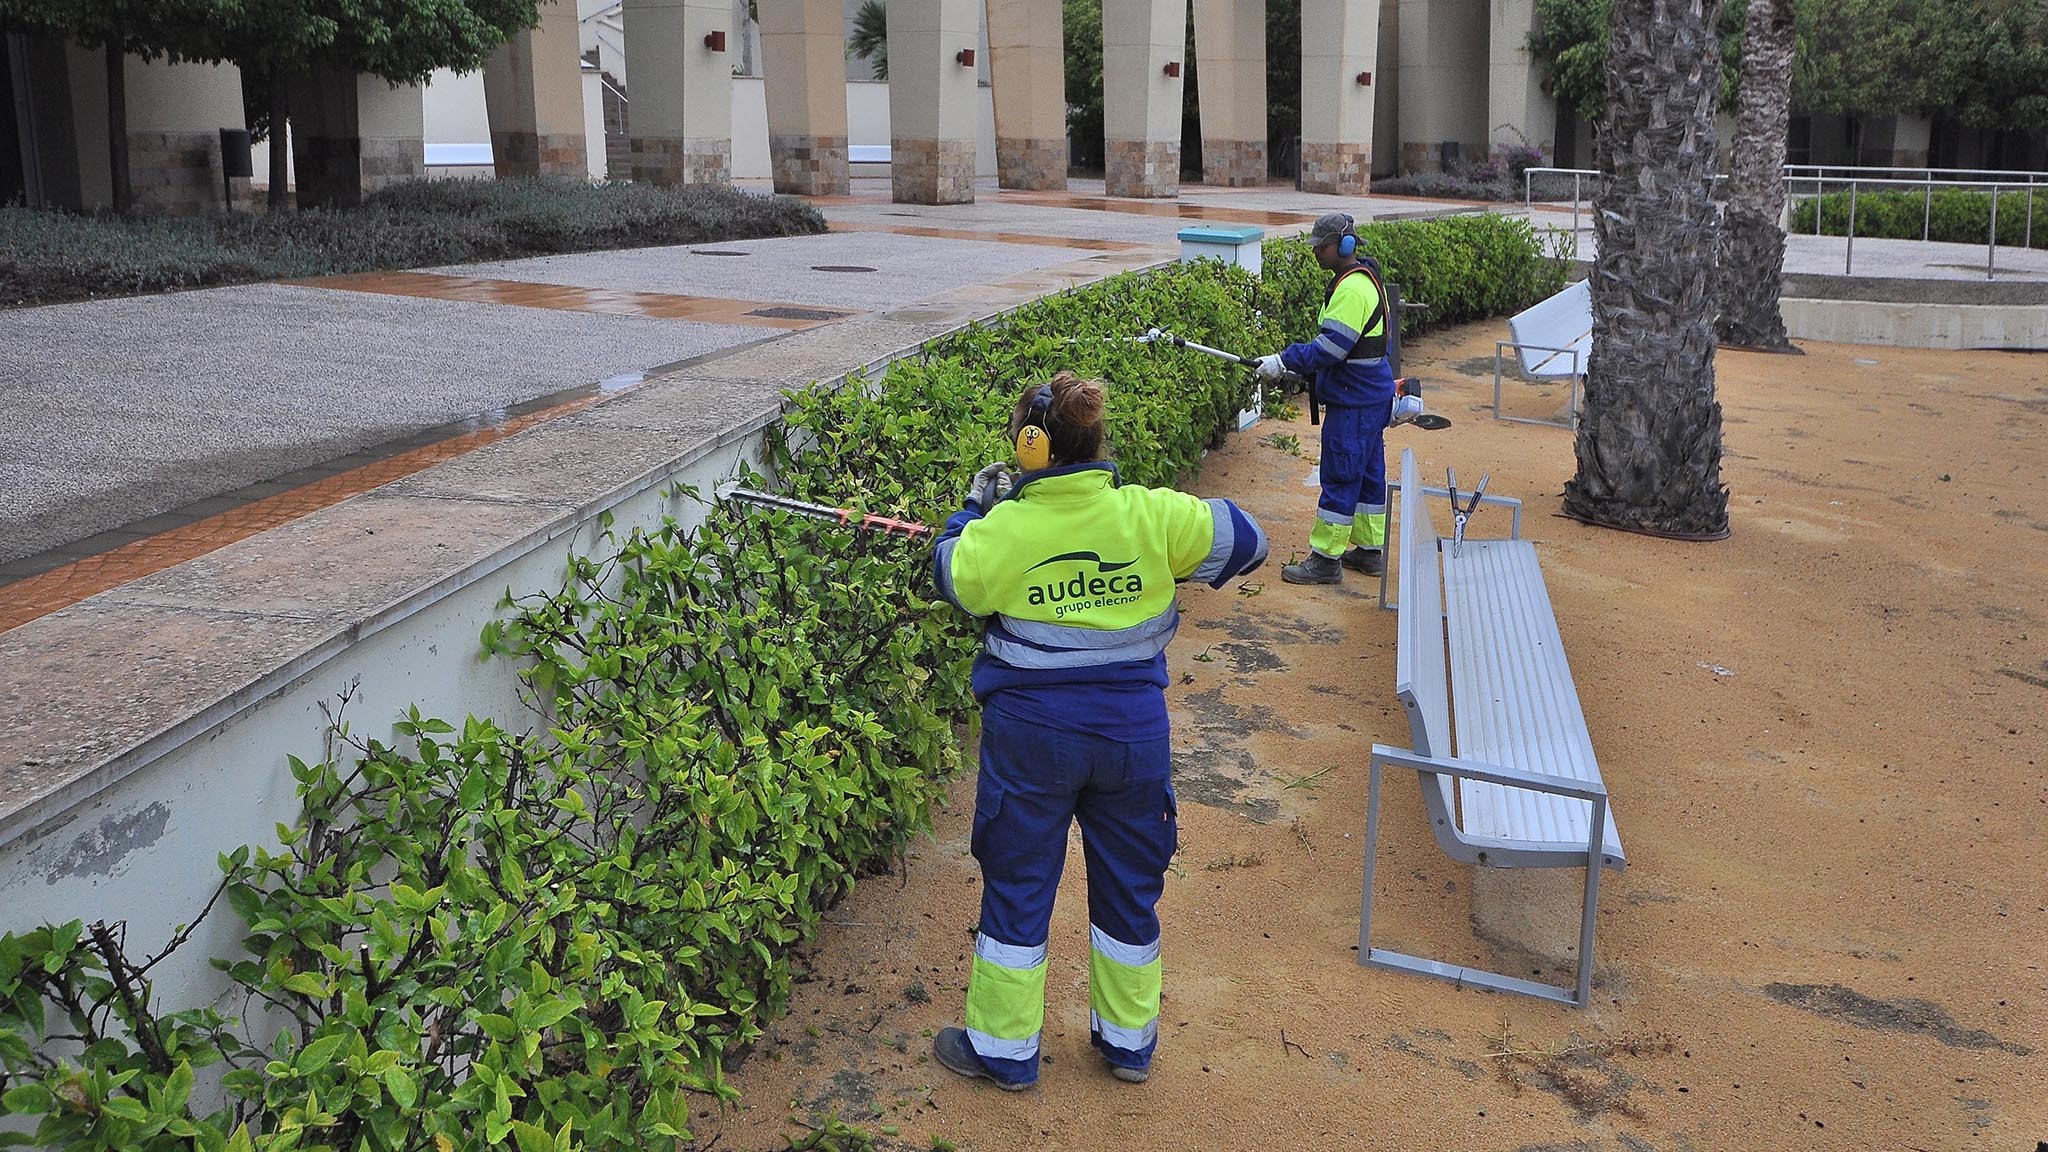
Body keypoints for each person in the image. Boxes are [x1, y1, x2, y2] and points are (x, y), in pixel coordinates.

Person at [927, 372, 1268, 1091]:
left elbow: (955, 578)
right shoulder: (1149, 515)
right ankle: (1127, 1046)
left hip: (1031, 740)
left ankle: (1005, 1054)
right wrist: (1152, 543)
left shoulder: (1008, 528)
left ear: (1029, 447)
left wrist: (971, 511)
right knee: (1128, 891)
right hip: (1131, 738)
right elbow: (1249, 541)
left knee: (1020, 885)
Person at [1256, 212, 1401, 585]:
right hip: (1369, 397)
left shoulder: (1353, 289)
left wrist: (1283, 360)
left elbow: (1331, 348)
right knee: (1369, 475)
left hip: (1354, 402)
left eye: (1321, 247)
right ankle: (1370, 552)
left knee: (1341, 474)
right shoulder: (1358, 280)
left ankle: (1325, 561)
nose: (1316, 253)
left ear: (1344, 246)